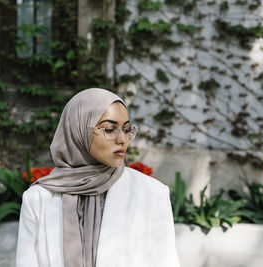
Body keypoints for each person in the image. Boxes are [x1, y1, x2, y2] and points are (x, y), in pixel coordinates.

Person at [15, 88, 180, 267]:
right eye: (110, 129)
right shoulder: (38, 199)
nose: (123, 139)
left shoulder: (152, 194)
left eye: (127, 129)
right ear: (78, 131)